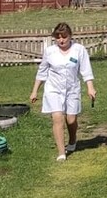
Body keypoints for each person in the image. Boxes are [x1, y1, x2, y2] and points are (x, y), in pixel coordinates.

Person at [29, 22, 96, 161]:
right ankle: (61, 152)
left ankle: (72, 140)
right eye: (58, 37)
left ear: (70, 36)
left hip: (72, 88)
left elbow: (85, 70)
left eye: (64, 37)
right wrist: (35, 91)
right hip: (54, 89)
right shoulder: (50, 52)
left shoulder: (79, 50)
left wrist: (90, 87)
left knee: (71, 120)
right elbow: (42, 72)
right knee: (58, 118)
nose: (61, 40)